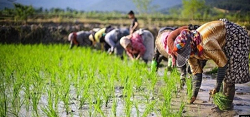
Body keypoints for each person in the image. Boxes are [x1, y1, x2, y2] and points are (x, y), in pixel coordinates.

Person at [167, 19, 250, 109]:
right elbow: (196, 72)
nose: (188, 56)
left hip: (234, 35)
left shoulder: (206, 44)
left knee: (229, 74)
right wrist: (194, 95)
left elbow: (223, 64)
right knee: (223, 73)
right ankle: (223, 100)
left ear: (191, 47)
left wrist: (216, 88)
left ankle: (227, 106)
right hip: (219, 38)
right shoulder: (190, 49)